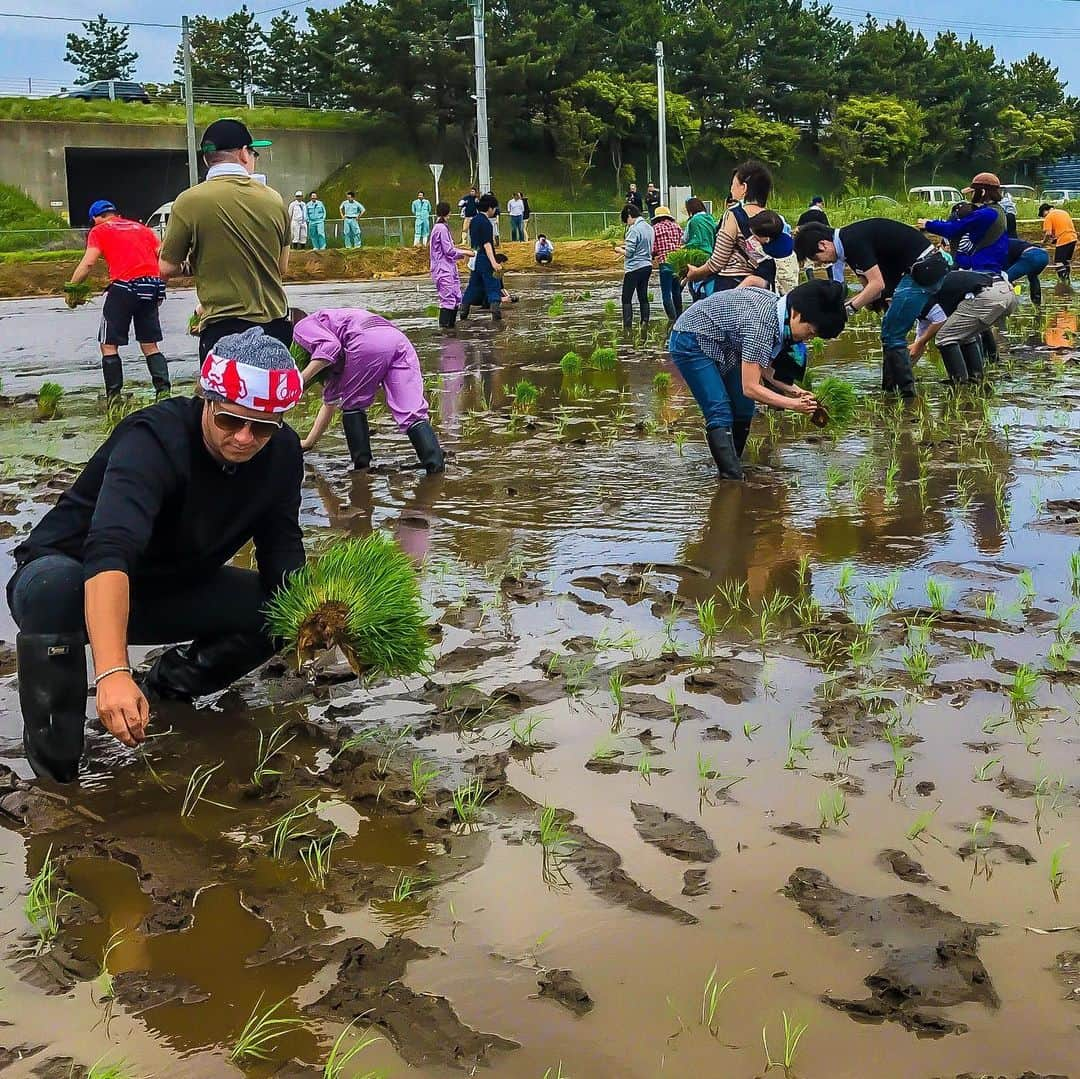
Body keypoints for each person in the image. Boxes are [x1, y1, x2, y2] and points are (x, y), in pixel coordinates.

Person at [6, 328, 304, 782]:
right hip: (74, 579)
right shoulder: (153, 440)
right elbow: (109, 550)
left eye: (262, 426)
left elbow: (281, 546)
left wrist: (317, 621)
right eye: (230, 421)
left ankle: (168, 687)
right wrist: (111, 672)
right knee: (53, 590)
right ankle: (57, 774)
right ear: (206, 400)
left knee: (279, 610)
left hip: (166, 584)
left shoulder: (282, 454)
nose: (245, 438)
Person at [668, 280, 847, 479]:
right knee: (719, 409)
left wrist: (795, 390)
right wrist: (793, 404)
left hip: (726, 346)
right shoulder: (762, 324)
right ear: (796, 314)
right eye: (810, 332)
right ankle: (732, 479)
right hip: (692, 339)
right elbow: (750, 387)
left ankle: (731, 463)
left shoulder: (780, 314)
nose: (807, 339)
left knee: (744, 408)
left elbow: (764, 368)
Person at [159, 118, 292, 362]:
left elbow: (166, 268)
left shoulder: (188, 201)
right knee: (269, 398)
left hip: (222, 328)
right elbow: (281, 268)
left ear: (206, 160)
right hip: (275, 327)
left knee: (223, 400)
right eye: (254, 152)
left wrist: (192, 264)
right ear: (243, 154)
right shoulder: (274, 199)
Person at [794, 217, 949, 398]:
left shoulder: (852, 241)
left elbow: (877, 285)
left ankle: (904, 395)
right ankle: (891, 388)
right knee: (890, 330)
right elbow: (872, 290)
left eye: (816, 258)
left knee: (892, 333)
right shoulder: (847, 244)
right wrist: (838, 308)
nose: (821, 264)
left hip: (924, 269)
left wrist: (847, 311)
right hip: (920, 270)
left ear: (823, 244)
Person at [292, 310, 445, 473]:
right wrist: (309, 442)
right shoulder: (337, 356)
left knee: (352, 405)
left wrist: (298, 379)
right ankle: (436, 469)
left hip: (364, 339)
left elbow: (330, 347)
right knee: (412, 411)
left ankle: (361, 468)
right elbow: (329, 403)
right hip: (397, 339)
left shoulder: (302, 326)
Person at [68, 199, 169, 400]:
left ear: (97, 218)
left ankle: (114, 398)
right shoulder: (142, 229)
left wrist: (71, 288)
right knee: (150, 344)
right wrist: (160, 287)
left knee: (108, 344)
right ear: (115, 213)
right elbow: (162, 258)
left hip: (124, 287)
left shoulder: (99, 230)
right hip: (151, 285)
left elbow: (88, 263)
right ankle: (164, 393)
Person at [909, 269, 1017, 384]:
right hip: (1005, 291)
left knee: (945, 338)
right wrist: (912, 358)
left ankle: (959, 383)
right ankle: (975, 378)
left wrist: (920, 343)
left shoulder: (920, 297)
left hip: (987, 295)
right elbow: (919, 342)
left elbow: (939, 319)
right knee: (964, 334)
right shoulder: (920, 295)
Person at [685, 160, 777, 296]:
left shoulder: (733, 215)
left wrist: (696, 273)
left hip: (732, 286)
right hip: (762, 288)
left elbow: (717, 262)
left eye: (733, 185)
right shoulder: (773, 219)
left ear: (744, 188)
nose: (731, 189)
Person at [919, 172, 1008, 274]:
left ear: (982, 192)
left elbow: (953, 229)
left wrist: (928, 224)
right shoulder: (999, 210)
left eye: (973, 192)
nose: (971, 196)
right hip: (994, 264)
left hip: (982, 267)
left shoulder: (985, 214)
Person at [460, 193, 503, 321]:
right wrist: (494, 262)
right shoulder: (486, 223)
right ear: (489, 208)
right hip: (485, 258)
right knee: (493, 284)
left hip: (475, 258)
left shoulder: (473, 221)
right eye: (494, 208)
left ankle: (464, 309)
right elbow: (487, 244)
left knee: (474, 285)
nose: (494, 211)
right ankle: (495, 310)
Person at [429, 201, 469, 328]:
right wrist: (465, 253)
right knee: (448, 299)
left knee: (456, 296)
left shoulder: (441, 227)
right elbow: (449, 250)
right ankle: (446, 329)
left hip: (448, 267)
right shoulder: (440, 228)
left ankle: (451, 329)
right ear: (449, 212)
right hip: (442, 269)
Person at [616, 203, 654, 328]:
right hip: (647, 265)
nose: (627, 223)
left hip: (634, 268)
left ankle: (627, 327)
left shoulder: (634, 229)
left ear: (629, 216)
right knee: (643, 295)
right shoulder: (649, 228)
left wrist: (619, 250)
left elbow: (630, 252)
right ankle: (645, 322)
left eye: (626, 220)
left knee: (626, 298)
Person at [651, 205, 685, 320]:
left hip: (665, 264)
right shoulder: (677, 227)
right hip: (678, 263)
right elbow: (682, 242)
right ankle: (680, 318)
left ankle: (672, 320)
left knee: (666, 295)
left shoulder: (655, 229)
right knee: (677, 292)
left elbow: (653, 249)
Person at [1005, 236, 1049, 306]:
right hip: (1044, 255)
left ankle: (1013, 302)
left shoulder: (1001, 246)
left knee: (1005, 279)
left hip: (1031, 256)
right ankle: (1037, 304)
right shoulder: (1013, 241)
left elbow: (1004, 267)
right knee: (1033, 277)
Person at [1039, 202, 1077, 282]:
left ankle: (1063, 283)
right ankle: (1068, 280)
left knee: (1058, 261)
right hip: (1073, 238)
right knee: (1066, 261)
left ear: (1045, 211)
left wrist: (1043, 242)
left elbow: (1048, 233)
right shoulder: (1063, 212)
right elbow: (1064, 227)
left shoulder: (1049, 217)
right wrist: (1055, 239)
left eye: (1043, 215)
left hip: (1063, 239)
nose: (1044, 217)